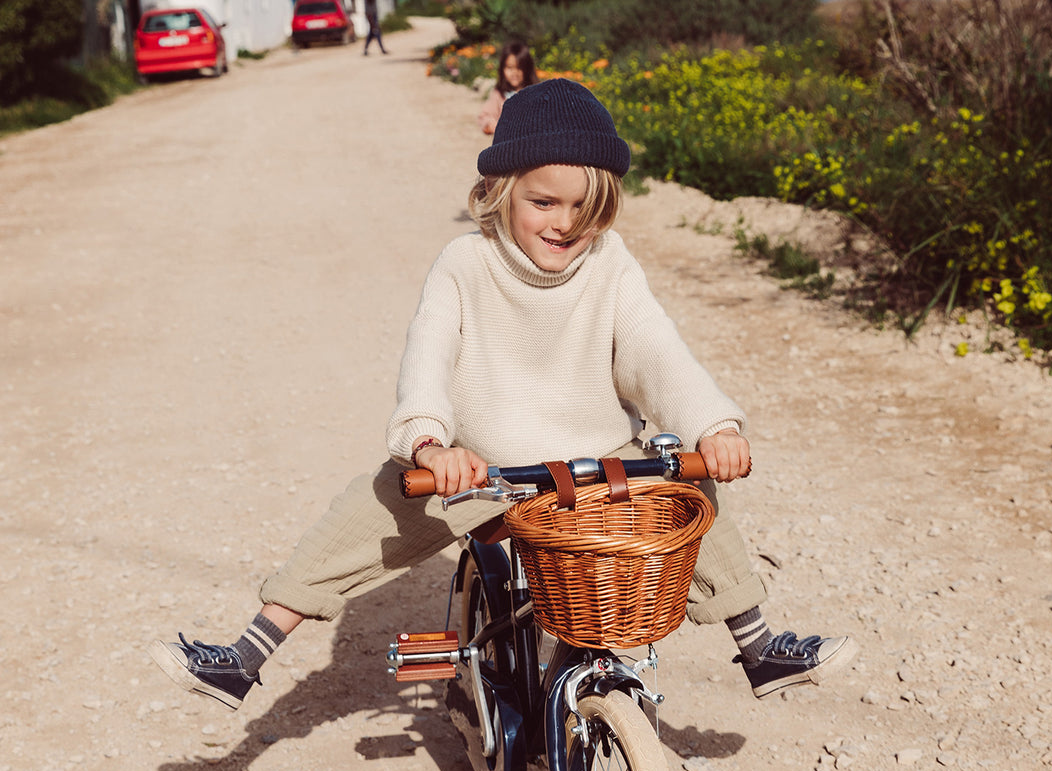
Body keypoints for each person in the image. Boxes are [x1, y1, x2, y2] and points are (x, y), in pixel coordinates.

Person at [150, 79, 856, 711]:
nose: (563, 224)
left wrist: (713, 426)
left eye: (584, 207)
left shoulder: (609, 266)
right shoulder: (466, 265)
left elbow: (654, 350)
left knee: (690, 495)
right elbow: (428, 357)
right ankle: (247, 654)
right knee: (366, 514)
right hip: (481, 466)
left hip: (594, 462)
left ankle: (758, 643)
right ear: (500, 192)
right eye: (542, 201)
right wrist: (430, 443)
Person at [477, 40, 537, 136]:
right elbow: (485, 116)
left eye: (519, 68)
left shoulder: (536, 92)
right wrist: (490, 124)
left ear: (527, 68)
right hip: (505, 145)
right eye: (509, 68)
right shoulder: (499, 94)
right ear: (502, 69)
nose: (514, 73)